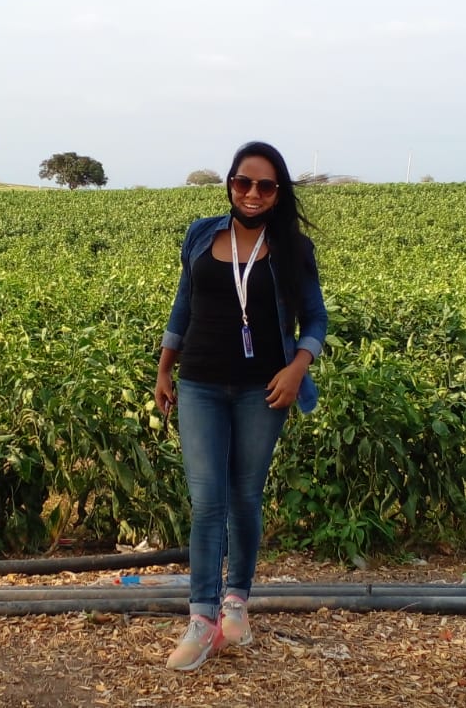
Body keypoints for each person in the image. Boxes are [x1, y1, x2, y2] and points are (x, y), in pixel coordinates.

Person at [154, 140, 328, 671]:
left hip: (263, 389)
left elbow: (315, 318)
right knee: (208, 501)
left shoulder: (293, 248)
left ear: (279, 193)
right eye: (243, 182)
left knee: (244, 497)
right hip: (200, 384)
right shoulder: (201, 234)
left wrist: (297, 369)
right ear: (230, 184)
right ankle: (202, 620)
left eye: (265, 186)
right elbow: (183, 304)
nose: (252, 193)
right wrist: (164, 367)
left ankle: (236, 604)